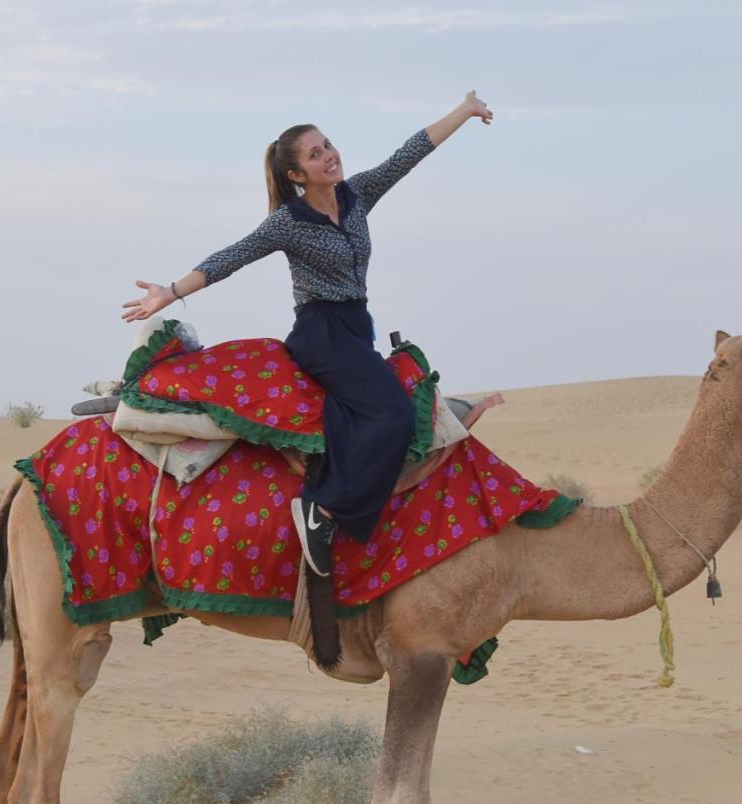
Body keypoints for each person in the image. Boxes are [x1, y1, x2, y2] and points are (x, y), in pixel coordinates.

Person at [123, 91, 493, 666]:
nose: (330, 157)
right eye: (316, 155)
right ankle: (322, 509)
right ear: (296, 173)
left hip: (356, 328)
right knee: (392, 415)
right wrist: (170, 292)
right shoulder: (288, 223)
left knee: (361, 417)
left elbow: (410, 152)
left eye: (330, 146)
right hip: (320, 334)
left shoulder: (358, 194)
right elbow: (231, 256)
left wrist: (464, 112)